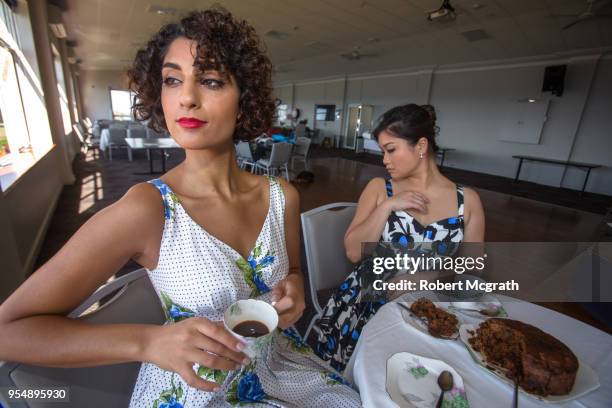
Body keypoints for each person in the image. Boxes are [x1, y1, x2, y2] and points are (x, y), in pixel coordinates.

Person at [0, 9, 360, 407]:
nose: (186, 97)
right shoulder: (147, 209)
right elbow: (8, 329)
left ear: (244, 100)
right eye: (172, 80)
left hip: (281, 364)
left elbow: (291, 271)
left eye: (209, 81)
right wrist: (148, 341)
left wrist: (294, 286)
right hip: (198, 389)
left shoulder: (282, 196)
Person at [311, 104, 485, 372]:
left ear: (421, 146)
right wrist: (388, 206)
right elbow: (354, 253)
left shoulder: (468, 201)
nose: (385, 160)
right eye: (383, 151)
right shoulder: (380, 188)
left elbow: (471, 268)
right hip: (365, 304)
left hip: (427, 309)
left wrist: (427, 277)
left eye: (391, 149)